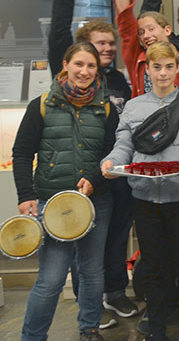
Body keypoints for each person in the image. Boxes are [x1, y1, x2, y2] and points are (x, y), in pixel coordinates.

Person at [48, 0, 139, 326]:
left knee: (116, 239)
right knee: (84, 245)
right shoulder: (75, 76)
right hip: (83, 174)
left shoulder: (117, 79)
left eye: (111, 44)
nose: (108, 48)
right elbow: (58, 32)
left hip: (117, 174)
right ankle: (90, 304)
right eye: (100, 43)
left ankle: (114, 293)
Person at [102, 41, 179, 341]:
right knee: (153, 268)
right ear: (148, 71)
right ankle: (156, 330)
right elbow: (123, 146)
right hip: (144, 201)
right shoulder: (134, 107)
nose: (163, 73)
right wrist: (111, 162)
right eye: (157, 67)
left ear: (177, 68)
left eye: (168, 66)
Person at [13, 42, 117, 341]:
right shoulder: (42, 104)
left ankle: (89, 329)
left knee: (92, 271)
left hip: (96, 202)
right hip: (52, 204)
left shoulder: (106, 107)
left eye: (91, 66)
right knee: (51, 279)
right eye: (78, 64)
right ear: (65, 65)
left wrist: (95, 179)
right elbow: (22, 152)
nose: (84, 71)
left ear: (97, 70)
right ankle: (33, 336)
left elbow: (113, 154)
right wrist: (25, 195)